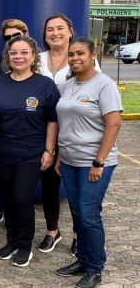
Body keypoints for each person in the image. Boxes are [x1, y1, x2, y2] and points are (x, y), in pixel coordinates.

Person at [54, 37, 122, 288]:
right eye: (71, 54)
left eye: (80, 53)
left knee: (89, 214)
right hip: (70, 161)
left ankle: (95, 268)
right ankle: (82, 260)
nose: (74, 58)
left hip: (93, 163)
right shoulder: (69, 85)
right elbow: (66, 124)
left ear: (93, 54)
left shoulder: (103, 85)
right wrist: (61, 156)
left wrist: (98, 162)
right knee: (77, 212)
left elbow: (114, 123)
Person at [0, 35, 59, 267]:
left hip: (31, 153)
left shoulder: (45, 85)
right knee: (7, 198)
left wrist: (49, 151)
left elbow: (52, 121)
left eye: (23, 52)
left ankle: (24, 245)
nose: (18, 57)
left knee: (22, 197)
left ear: (33, 57)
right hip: (3, 151)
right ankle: (11, 241)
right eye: (13, 53)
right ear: (7, 57)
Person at [37, 13, 101, 256]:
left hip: (76, 132)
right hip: (43, 130)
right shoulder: (38, 59)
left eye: (60, 28)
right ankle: (52, 231)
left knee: (75, 187)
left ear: (70, 31)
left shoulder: (82, 60)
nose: (55, 33)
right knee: (49, 184)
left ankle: (77, 234)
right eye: (50, 29)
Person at [0, 18, 29, 229]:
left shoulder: (34, 62)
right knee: (0, 175)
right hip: (1, 130)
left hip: (28, 132)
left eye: (16, 36)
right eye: (7, 38)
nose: (12, 40)